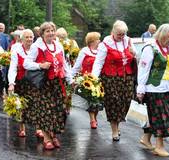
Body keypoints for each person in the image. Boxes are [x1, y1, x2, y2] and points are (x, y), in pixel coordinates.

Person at [23, 22, 73, 150]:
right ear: (42, 33)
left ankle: (53, 135)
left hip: (58, 83)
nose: (51, 33)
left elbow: (65, 65)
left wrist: (71, 80)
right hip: (44, 84)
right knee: (46, 111)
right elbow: (26, 63)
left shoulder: (59, 45)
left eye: (52, 30)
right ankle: (46, 138)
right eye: (47, 31)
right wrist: (40, 65)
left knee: (59, 111)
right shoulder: (37, 46)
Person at [136, 23, 169, 157]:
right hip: (153, 89)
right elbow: (143, 70)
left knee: (153, 116)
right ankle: (159, 146)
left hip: (167, 87)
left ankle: (146, 139)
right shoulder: (150, 48)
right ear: (162, 35)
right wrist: (141, 89)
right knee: (161, 117)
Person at [91, 20, 137, 141]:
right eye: (119, 34)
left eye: (123, 34)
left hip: (127, 77)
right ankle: (114, 129)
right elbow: (98, 62)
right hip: (111, 78)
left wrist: (134, 52)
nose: (121, 37)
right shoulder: (105, 44)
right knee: (113, 103)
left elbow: (135, 56)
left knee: (126, 101)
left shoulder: (128, 41)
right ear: (113, 32)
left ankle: (118, 123)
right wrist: (93, 79)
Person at [8, 29, 44, 138]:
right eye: (27, 37)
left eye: (31, 37)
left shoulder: (37, 49)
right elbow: (13, 68)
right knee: (21, 105)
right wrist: (11, 83)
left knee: (37, 104)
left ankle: (38, 129)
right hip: (21, 82)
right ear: (22, 39)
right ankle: (22, 128)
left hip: (35, 82)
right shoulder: (17, 50)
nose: (29, 39)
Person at [72, 32, 103, 129]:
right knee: (91, 99)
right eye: (98, 39)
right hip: (87, 80)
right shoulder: (84, 51)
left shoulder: (101, 51)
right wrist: (72, 78)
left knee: (98, 100)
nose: (100, 41)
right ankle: (92, 119)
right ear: (92, 41)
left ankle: (95, 117)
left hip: (99, 79)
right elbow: (77, 66)